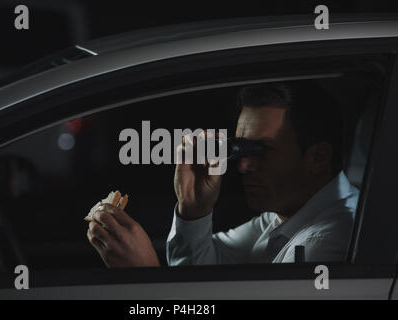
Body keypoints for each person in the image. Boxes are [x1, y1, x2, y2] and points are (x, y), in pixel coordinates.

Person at [87, 81, 359, 267]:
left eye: (261, 149)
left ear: (317, 158)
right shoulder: (285, 216)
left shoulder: (323, 242)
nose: (242, 166)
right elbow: (202, 274)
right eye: (241, 149)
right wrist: (194, 210)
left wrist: (143, 279)